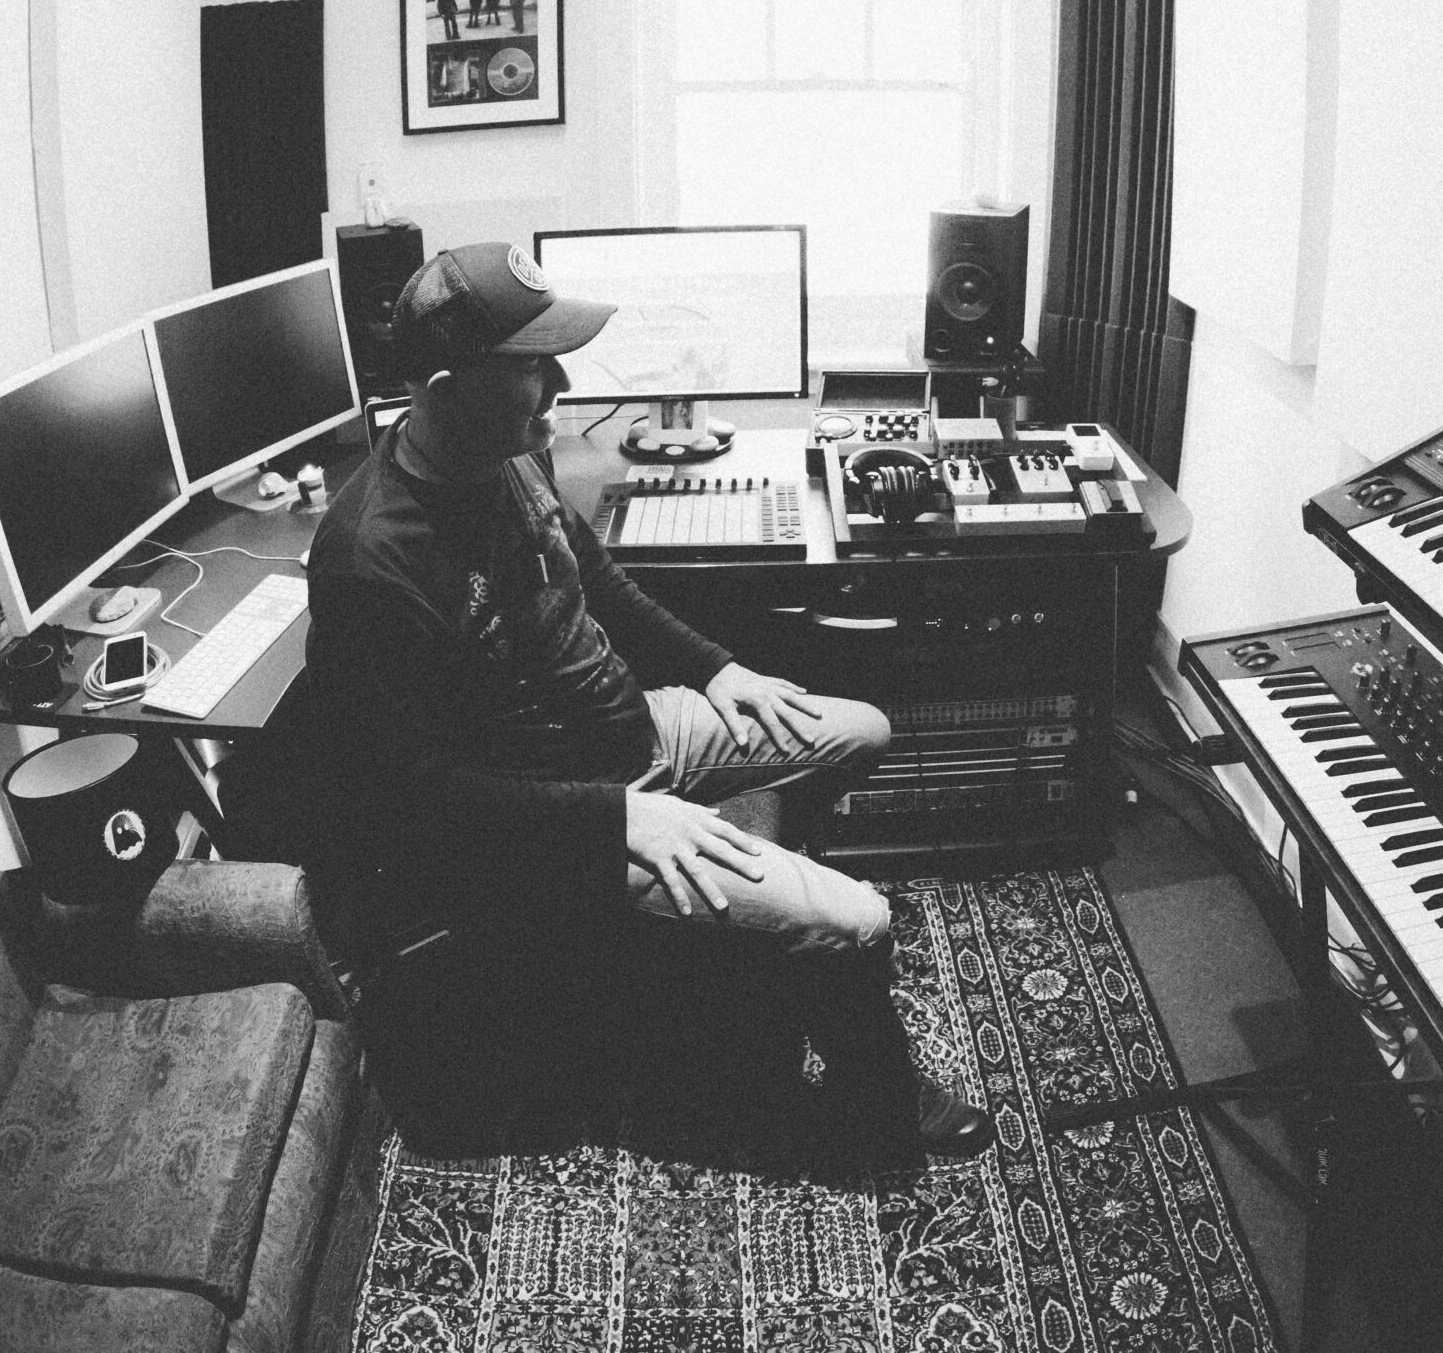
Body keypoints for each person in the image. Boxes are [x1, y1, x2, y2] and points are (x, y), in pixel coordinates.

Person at [298, 241, 991, 1160]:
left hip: (634, 735)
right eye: (533, 366)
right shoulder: (369, 562)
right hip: (552, 824)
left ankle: (725, 961)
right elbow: (418, 801)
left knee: (863, 729)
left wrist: (717, 670)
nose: (561, 383)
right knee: (860, 920)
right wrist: (620, 818)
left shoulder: (507, 451)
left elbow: (598, 582)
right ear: (446, 389)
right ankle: (877, 1106)